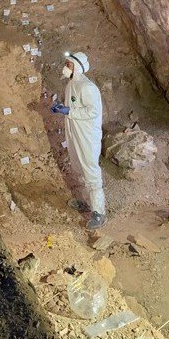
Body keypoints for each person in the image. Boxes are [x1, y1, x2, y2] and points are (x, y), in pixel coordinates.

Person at [51, 52, 105, 229]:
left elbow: (93, 112)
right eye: (66, 63)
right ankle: (87, 202)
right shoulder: (70, 85)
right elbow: (73, 106)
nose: (66, 67)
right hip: (75, 133)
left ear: (78, 67)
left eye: (69, 64)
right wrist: (62, 108)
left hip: (87, 136)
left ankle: (99, 212)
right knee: (79, 166)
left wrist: (69, 112)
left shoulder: (87, 87)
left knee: (90, 170)